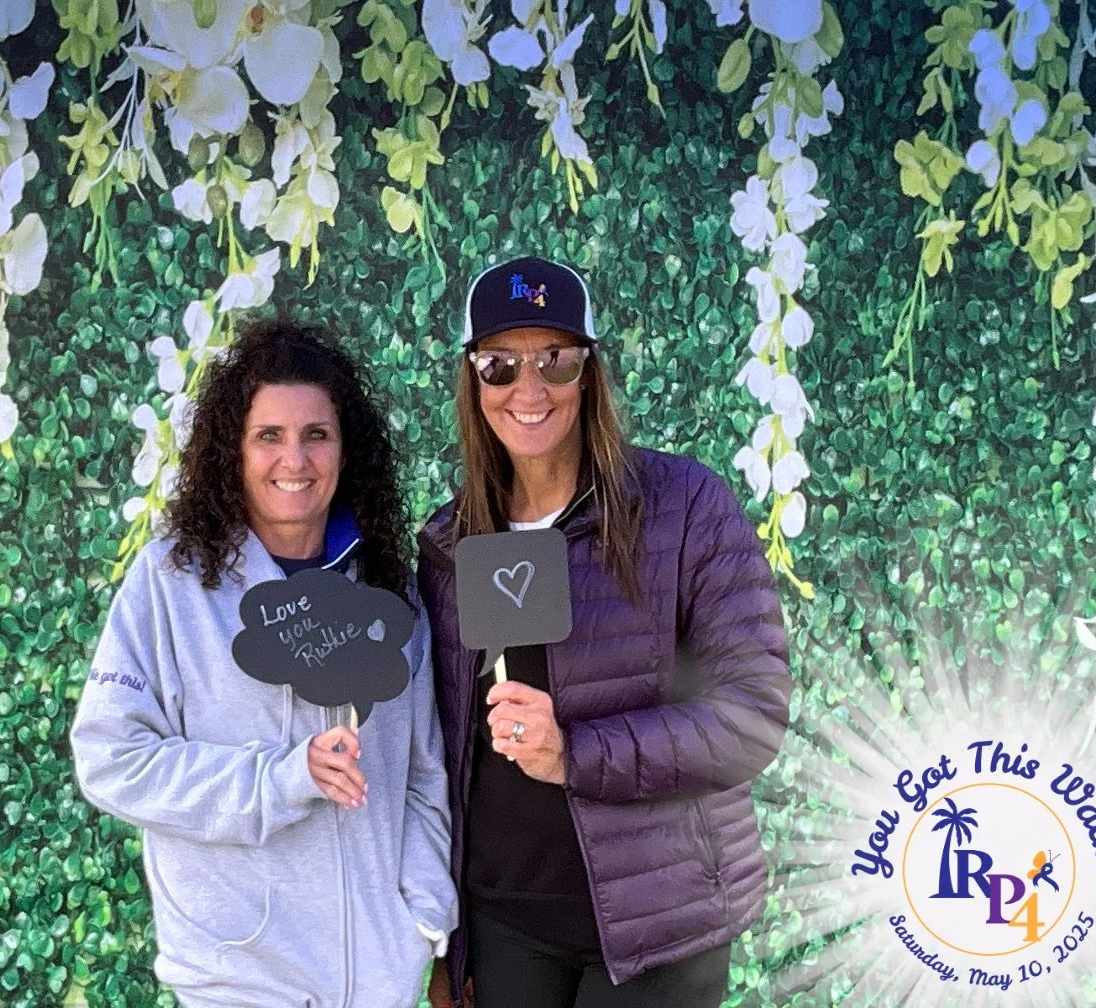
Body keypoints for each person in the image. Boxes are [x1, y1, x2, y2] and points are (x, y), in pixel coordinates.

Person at [417, 256, 792, 1008]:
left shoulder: (685, 507)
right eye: (500, 366)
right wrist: (449, 943)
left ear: (589, 372)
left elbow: (752, 716)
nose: (529, 390)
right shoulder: (449, 544)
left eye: (555, 360)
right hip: (505, 924)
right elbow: (445, 755)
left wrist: (576, 753)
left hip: (658, 924)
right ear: (473, 381)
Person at [71, 318, 458, 1007]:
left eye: (317, 434)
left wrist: (421, 919)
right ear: (233, 449)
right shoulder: (171, 583)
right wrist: (281, 777)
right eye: (268, 436)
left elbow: (424, 776)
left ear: (346, 447)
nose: (295, 460)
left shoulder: (388, 592)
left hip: (376, 986)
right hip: (237, 981)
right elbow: (111, 758)